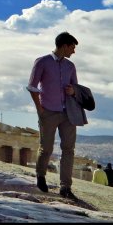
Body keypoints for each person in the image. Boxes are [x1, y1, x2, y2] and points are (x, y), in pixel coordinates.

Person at [26, 31, 80, 200]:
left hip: (68, 114)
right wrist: (39, 110)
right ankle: (41, 175)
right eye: (72, 47)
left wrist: (73, 91)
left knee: (68, 150)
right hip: (48, 111)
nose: (74, 51)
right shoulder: (42, 62)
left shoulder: (70, 66)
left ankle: (65, 187)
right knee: (46, 147)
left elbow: (76, 88)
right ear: (64, 46)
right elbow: (32, 87)